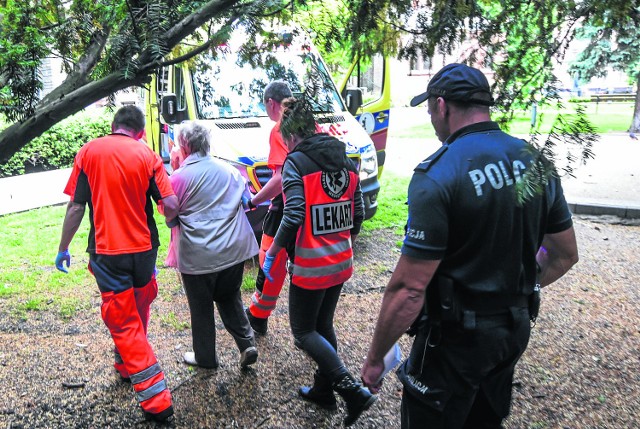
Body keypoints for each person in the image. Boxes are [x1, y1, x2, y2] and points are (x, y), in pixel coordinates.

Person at [360, 63, 579, 428]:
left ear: (442, 106)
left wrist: (374, 359)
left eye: (430, 109)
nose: (431, 119)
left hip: (454, 341)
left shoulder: (439, 174)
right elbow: (564, 252)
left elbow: (409, 288)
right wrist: (522, 282)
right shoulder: (534, 160)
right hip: (512, 331)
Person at [54, 105, 178, 422]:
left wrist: (63, 247)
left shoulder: (89, 152)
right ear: (139, 132)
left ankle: (157, 400)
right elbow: (170, 204)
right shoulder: (147, 155)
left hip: (108, 251)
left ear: (113, 125)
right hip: (144, 248)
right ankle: (125, 365)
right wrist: (174, 221)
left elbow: (76, 207)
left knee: (123, 320)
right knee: (138, 306)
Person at [262, 97, 376, 427]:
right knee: (323, 326)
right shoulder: (344, 158)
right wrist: (343, 243)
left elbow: (294, 212)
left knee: (302, 331)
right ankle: (324, 389)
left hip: (310, 266)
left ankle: (351, 390)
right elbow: (358, 213)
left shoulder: (297, 162)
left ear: (291, 136)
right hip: (340, 262)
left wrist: (272, 254)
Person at [167, 122, 259, 369]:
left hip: (198, 256)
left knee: (201, 306)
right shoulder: (229, 171)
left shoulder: (178, 177)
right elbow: (245, 200)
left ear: (184, 146)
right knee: (230, 296)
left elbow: (170, 216)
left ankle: (206, 357)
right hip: (233, 249)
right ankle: (247, 343)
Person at [244, 80, 296, 335]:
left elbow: (279, 179)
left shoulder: (279, 129)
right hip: (313, 203)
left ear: (270, 103)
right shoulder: (311, 124)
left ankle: (258, 315)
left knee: (270, 257)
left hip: (288, 204)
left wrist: (253, 201)